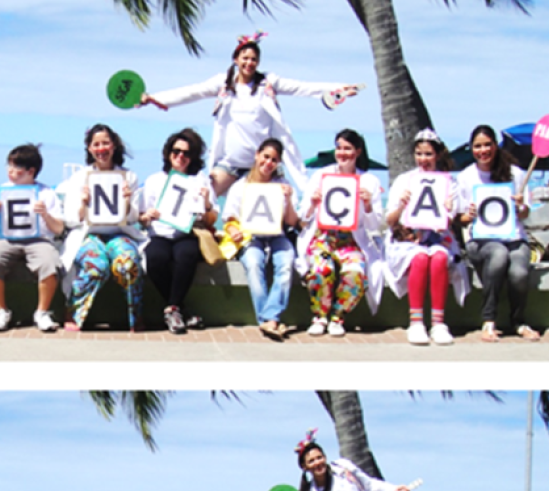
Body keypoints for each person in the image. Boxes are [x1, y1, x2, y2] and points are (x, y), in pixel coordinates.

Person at [140, 32, 357, 195]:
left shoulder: (268, 83)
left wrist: (338, 88)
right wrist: (155, 98)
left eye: (253, 59)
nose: (249, 63)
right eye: (245, 58)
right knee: (205, 196)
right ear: (236, 59)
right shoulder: (223, 83)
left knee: (283, 199)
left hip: (263, 165)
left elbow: (303, 87)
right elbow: (191, 92)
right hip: (230, 163)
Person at [296, 129, 385, 337]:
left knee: (355, 272)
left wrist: (368, 204)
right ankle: (319, 316)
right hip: (322, 236)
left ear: (358, 152)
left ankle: (337, 316)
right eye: (339, 148)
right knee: (320, 269)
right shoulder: (320, 176)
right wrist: (313, 203)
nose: (342, 153)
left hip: (352, 240)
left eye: (348, 148)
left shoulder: (369, 181)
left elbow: (374, 225)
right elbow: (303, 217)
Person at [385, 129, 470, 346]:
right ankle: (416, 322)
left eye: (428, 154)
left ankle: (438, 322)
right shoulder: (405, 180)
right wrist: (402, 205)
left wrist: (450, 211)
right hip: (408, 240)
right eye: (419, 154)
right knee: (420, 259)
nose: (423, 160)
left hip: (439, 239)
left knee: (440, 258)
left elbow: (457, 219)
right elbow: (390, 220)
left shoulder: (449, 182)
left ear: (438, 155)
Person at [457, 124, 539, 342]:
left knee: (519, 273)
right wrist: (469, 214)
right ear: (471, 149)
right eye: (477, 146)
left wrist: (521, 205)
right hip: (479, 241)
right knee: (498, 255)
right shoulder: (466, 176)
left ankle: (519, 321)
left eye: (487, 145)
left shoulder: (516, 174)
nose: (483, 150)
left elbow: (524, 214)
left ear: (495, 146)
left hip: (514, 238)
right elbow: (459, 218)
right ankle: (489, 320)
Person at [60, 124, 144, 332]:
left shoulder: (128, 177)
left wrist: (126, 201)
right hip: (88, 235)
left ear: (114, 145)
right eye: (96, 144)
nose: (101, 148)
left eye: (105, 143)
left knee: (127, 264)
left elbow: (134, 218)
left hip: (119, 234)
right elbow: (71, 219)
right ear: (89, 149)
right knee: (96, 266)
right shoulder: (80, 178)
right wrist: (83, 204)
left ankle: (136, 314)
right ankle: (73, 310)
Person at [221, 137, 299, 339]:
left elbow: (291, 221)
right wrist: (233, 231)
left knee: (285, 262)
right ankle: (268, 321)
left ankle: (269, 318)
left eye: (274, 160)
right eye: (266, 157)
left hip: (277, 235)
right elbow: (229, 218)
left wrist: (289, 199)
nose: (268, 163)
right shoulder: (240, 186)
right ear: (257, 155)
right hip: (251, 236)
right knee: (254, 264)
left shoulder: (283, 185)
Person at [138, 129, 215, 334]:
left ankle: (173, 309)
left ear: (193, 157)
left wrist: (206, 202)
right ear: (168, 152)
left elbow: (211, 218)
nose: (180, 156)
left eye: (186, 153)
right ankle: (179, 310)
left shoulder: (199, 180)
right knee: (155, 258)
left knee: (186, 255)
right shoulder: (155, 180)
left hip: (186, 233)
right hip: (159, 233)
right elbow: (140, 216)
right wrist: (147, 216)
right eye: (176, 151)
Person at [0, 144, 64, 333]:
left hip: (39, 240)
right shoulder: (0, 191)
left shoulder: (45, 193)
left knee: (49, 263)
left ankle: (42, 312)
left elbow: (58, 228)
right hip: (7, 239)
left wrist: (45, 214)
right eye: (9, 166)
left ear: (30, 171)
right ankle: (0, 311)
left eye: (16, 167)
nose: (10, 171)